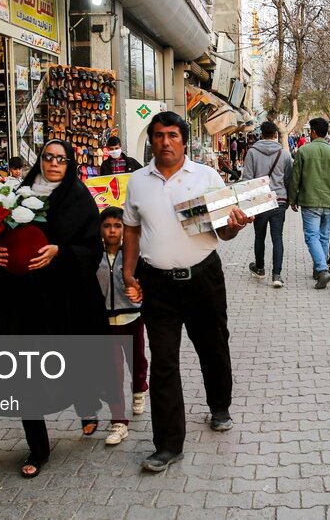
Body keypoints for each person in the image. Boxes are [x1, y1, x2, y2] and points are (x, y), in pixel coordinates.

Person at [0, 139, 113, 478]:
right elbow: (0, 235)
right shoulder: (17, 194)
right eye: (48, 157)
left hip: (63, 300)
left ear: (70, 164)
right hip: (21, 300)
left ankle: (86, 404)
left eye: (61, 159)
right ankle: (38, 447)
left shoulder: (79, 200)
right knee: (25, 373)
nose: (53, 164)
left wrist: (60, 252)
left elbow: (91, 249)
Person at [122, 111, 252, 473]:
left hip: (203, 279)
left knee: (212, 346)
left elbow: (223, 232)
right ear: (151, 140)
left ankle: (219, 405)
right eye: (159, 135)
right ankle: (167, 445)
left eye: (173, 135)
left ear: (183, 140)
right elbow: (131, 229)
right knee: (163, 362)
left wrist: (236, 226)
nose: (166, 142)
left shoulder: (207, 177)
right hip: (157, 284)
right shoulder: (137, 181)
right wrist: (129, 271)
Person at [97, 206, 148, 446]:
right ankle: (118, 422)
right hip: (105, 324)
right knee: (111, 372)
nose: (112, 231)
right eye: (107, 226)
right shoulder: (93, 256)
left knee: (137, 360)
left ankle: (139, 389)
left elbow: (146, 284)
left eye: (117, 226)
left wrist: (140, 291)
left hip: (132, 320)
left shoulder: (134, 255)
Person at [287, 118, 330, 290]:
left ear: (313, 132)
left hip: (310, 202)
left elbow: (295, 178)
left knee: (311, 236)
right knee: (323, 236)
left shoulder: (304, 151)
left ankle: (322, 270)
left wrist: (292, 199)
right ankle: (318, 269)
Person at [242, 121, 293, 288]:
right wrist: (290, 199)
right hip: (279, 200)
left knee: (260, 236)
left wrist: (245, 205)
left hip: (259, 201)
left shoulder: (251, 153)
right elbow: (288, 179)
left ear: (261, 134)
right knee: (277, 237)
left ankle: (260, 268)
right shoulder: (284, 154)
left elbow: (247, 180)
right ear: (275, 135)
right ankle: (277, 275)